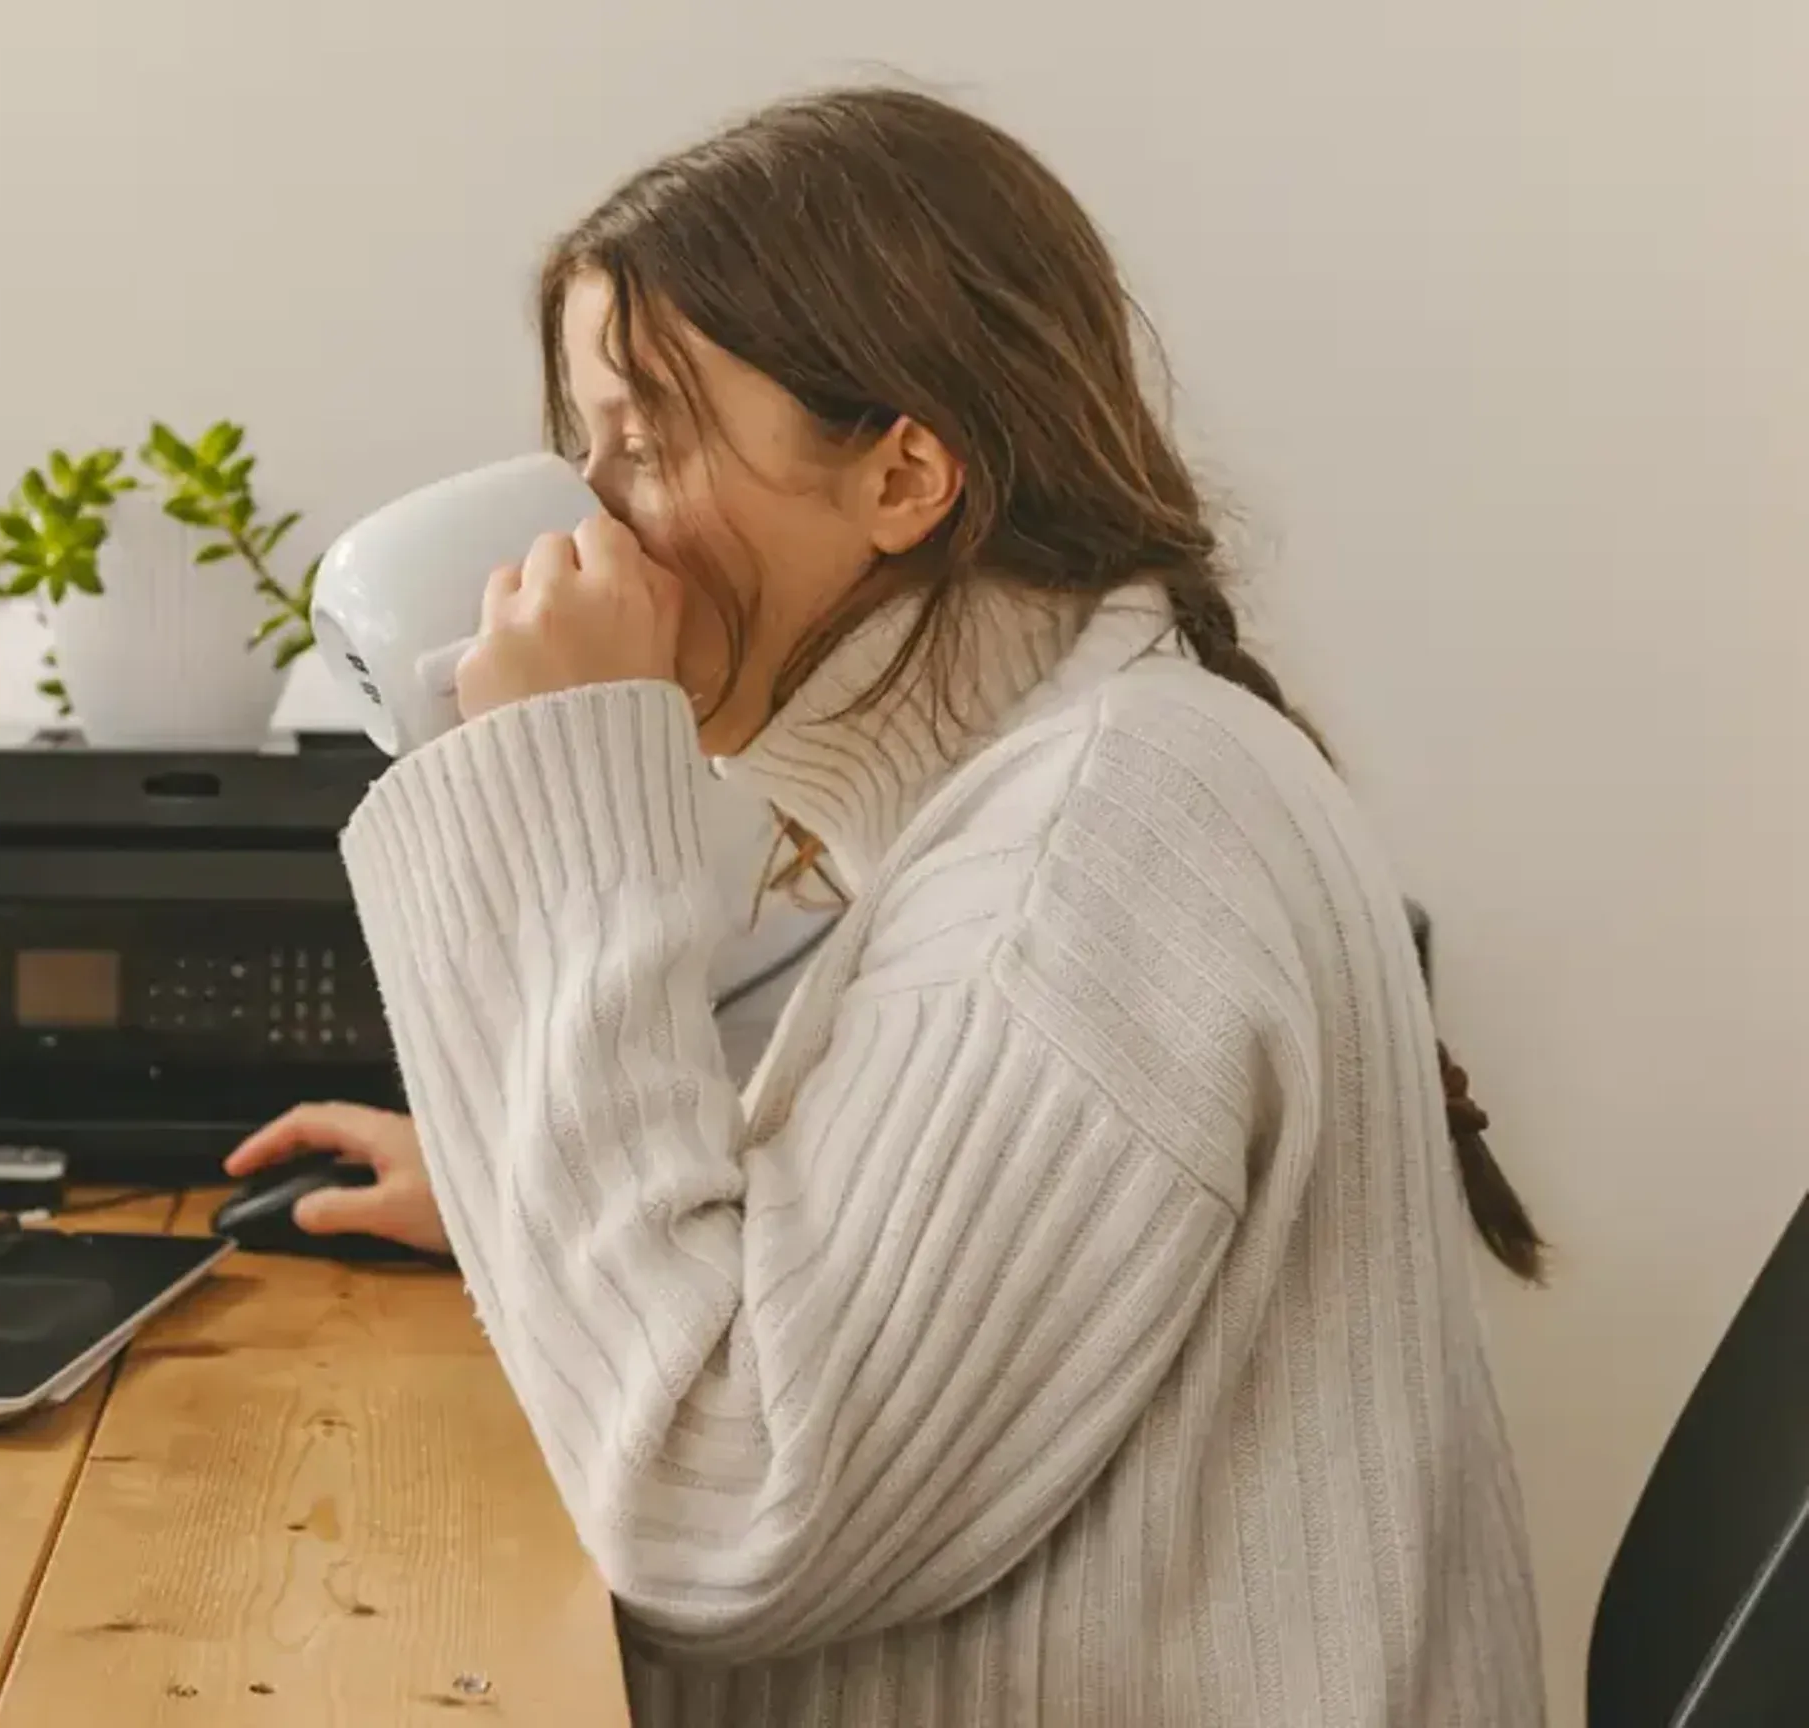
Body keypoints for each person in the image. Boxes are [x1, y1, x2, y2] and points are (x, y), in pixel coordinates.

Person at [230, 84, 1545, 1727]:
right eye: (590, 452)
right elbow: (901, 1235)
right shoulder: (1074, 771)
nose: (590, 521)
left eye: (648, 443)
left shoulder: (1090, 843)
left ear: (904, 474)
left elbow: (722, 1512)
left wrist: (562, 764)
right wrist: (510, 1187)